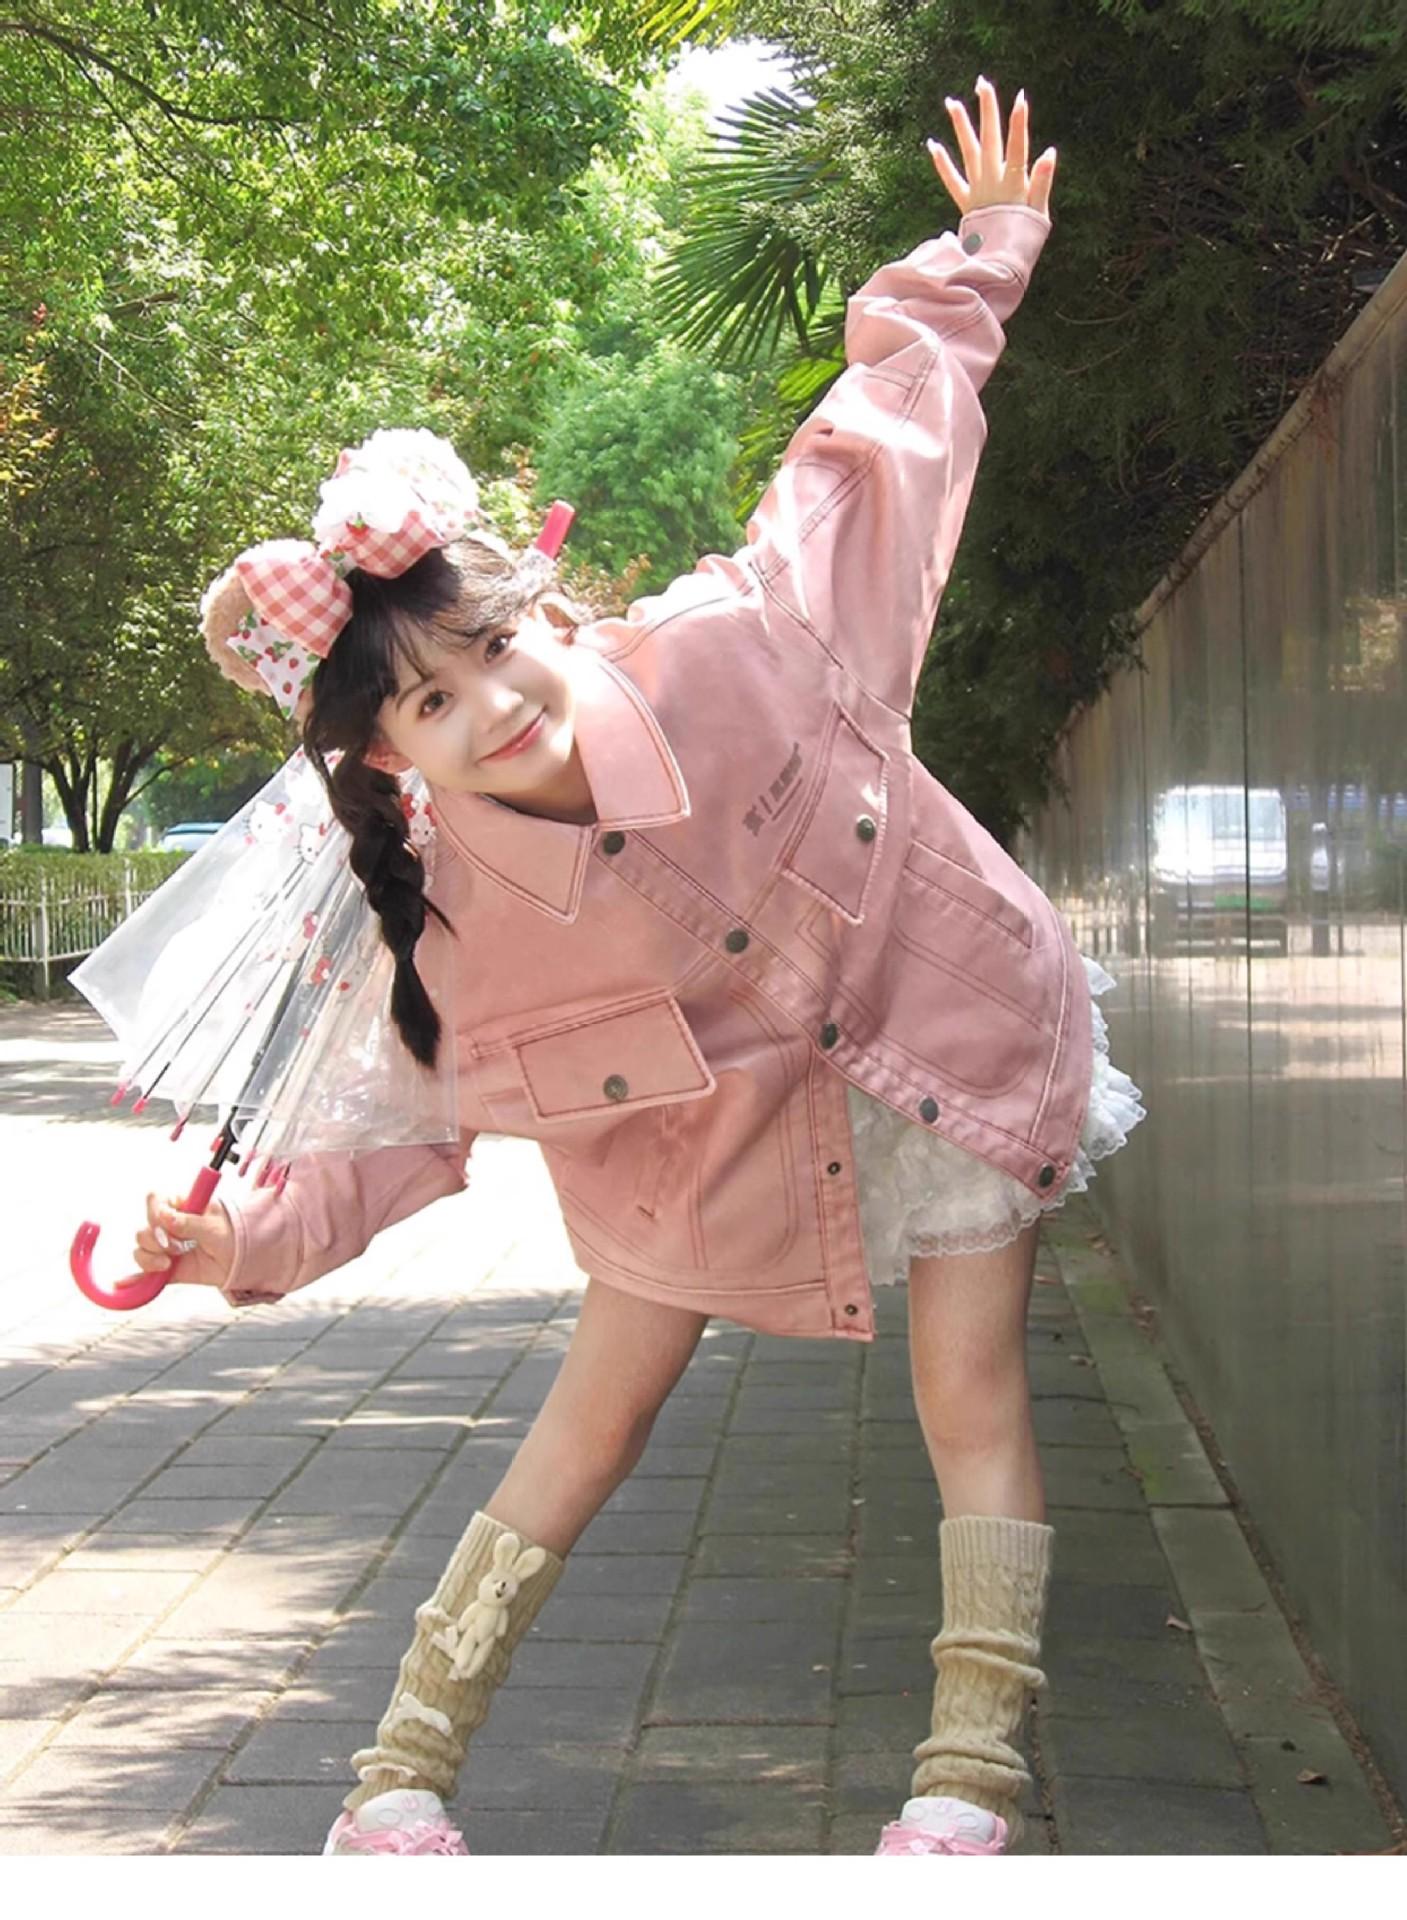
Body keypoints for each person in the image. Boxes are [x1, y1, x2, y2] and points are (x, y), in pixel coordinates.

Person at [129, 77, 1145, 1857]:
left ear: (539, 605)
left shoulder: (744, 637)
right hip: (696, 1140)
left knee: (972, 1391)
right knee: (590, 1420)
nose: (490, 706)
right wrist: (245, 1248)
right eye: (430, 705)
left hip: (945, 1030)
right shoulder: (445, 918)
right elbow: (403, 1128)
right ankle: (393, 1784)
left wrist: (984, 254)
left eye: (490, 649)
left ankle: (965, 1792)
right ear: (388, 758)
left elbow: (872, 448)